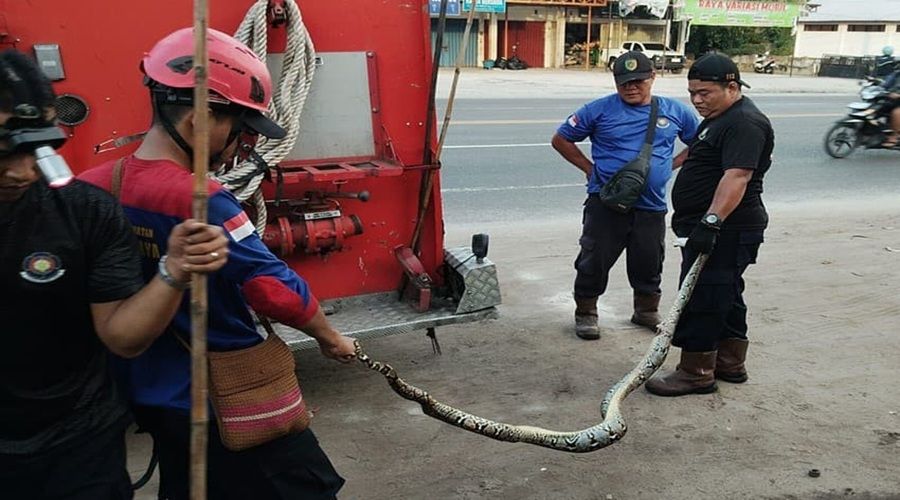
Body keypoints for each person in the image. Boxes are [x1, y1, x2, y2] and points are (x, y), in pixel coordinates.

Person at [79, 28, 356, 500]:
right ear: (201, 119)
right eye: (240, 129)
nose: (240, 145)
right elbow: (272, 289)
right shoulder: (204, 200)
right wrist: (330, 338)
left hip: (145, 394)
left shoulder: (93, 187)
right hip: (221, 398)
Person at [0, 49, 228, 499]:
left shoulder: (86, 211)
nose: (23, 172)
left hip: (78, 446)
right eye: (5, 153)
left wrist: (175, 269)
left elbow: (123, 337)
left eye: (35, 150)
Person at [646, 53, 774, 397]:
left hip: (729, 228)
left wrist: (711, 222)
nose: (697, 100)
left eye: (705, 93)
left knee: (704, 296)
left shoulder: (744, 122)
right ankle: (730, 363)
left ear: (731, 87)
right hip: (713, 226)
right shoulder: (720, 118)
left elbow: (738, 176)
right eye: (692, 93)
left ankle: (696, 371)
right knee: (725, 292)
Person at [551, 51, 700, 340]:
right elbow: (561, 139)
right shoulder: (598, 110)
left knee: (649, 260)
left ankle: (645, 310)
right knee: (594, 259)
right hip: (606, 202)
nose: (630, 88)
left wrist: (670, 165)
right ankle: (586, 313)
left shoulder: (675, 110)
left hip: (651, 204)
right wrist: (589, 169)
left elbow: (699, 141)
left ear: (652, 77)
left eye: (637, 81)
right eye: (624, 83)